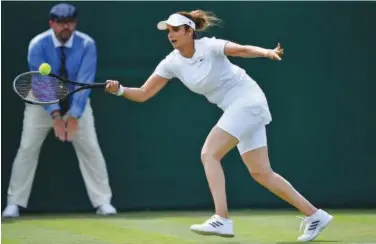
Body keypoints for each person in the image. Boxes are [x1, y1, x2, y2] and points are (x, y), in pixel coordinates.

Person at [105, 10, 333, 241]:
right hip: (237, 109)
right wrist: (120, 90)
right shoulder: (171, 63)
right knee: (261, 172)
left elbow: (241, 50)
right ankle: (316, 215)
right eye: (168, 31)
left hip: (248, 101)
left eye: (175, 29)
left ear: (189, 31)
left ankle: (221, 219)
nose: (171, 34)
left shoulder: (209, 46)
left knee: (209, 153)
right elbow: (144, 93)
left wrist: (266, 52)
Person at [2, 3, 117, 217]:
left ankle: (103, 202)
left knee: (91, 149)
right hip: (42, 104)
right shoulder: (38, 44)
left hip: (77, 102)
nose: (66, 27)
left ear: (75, 23)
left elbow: (85, 79)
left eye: (70, 22)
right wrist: (55, 115)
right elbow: (40, 82)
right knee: (27, 148)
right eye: (61, 23)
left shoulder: (87, 44)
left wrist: (73, 115)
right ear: (51, 23)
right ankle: (14, 203)